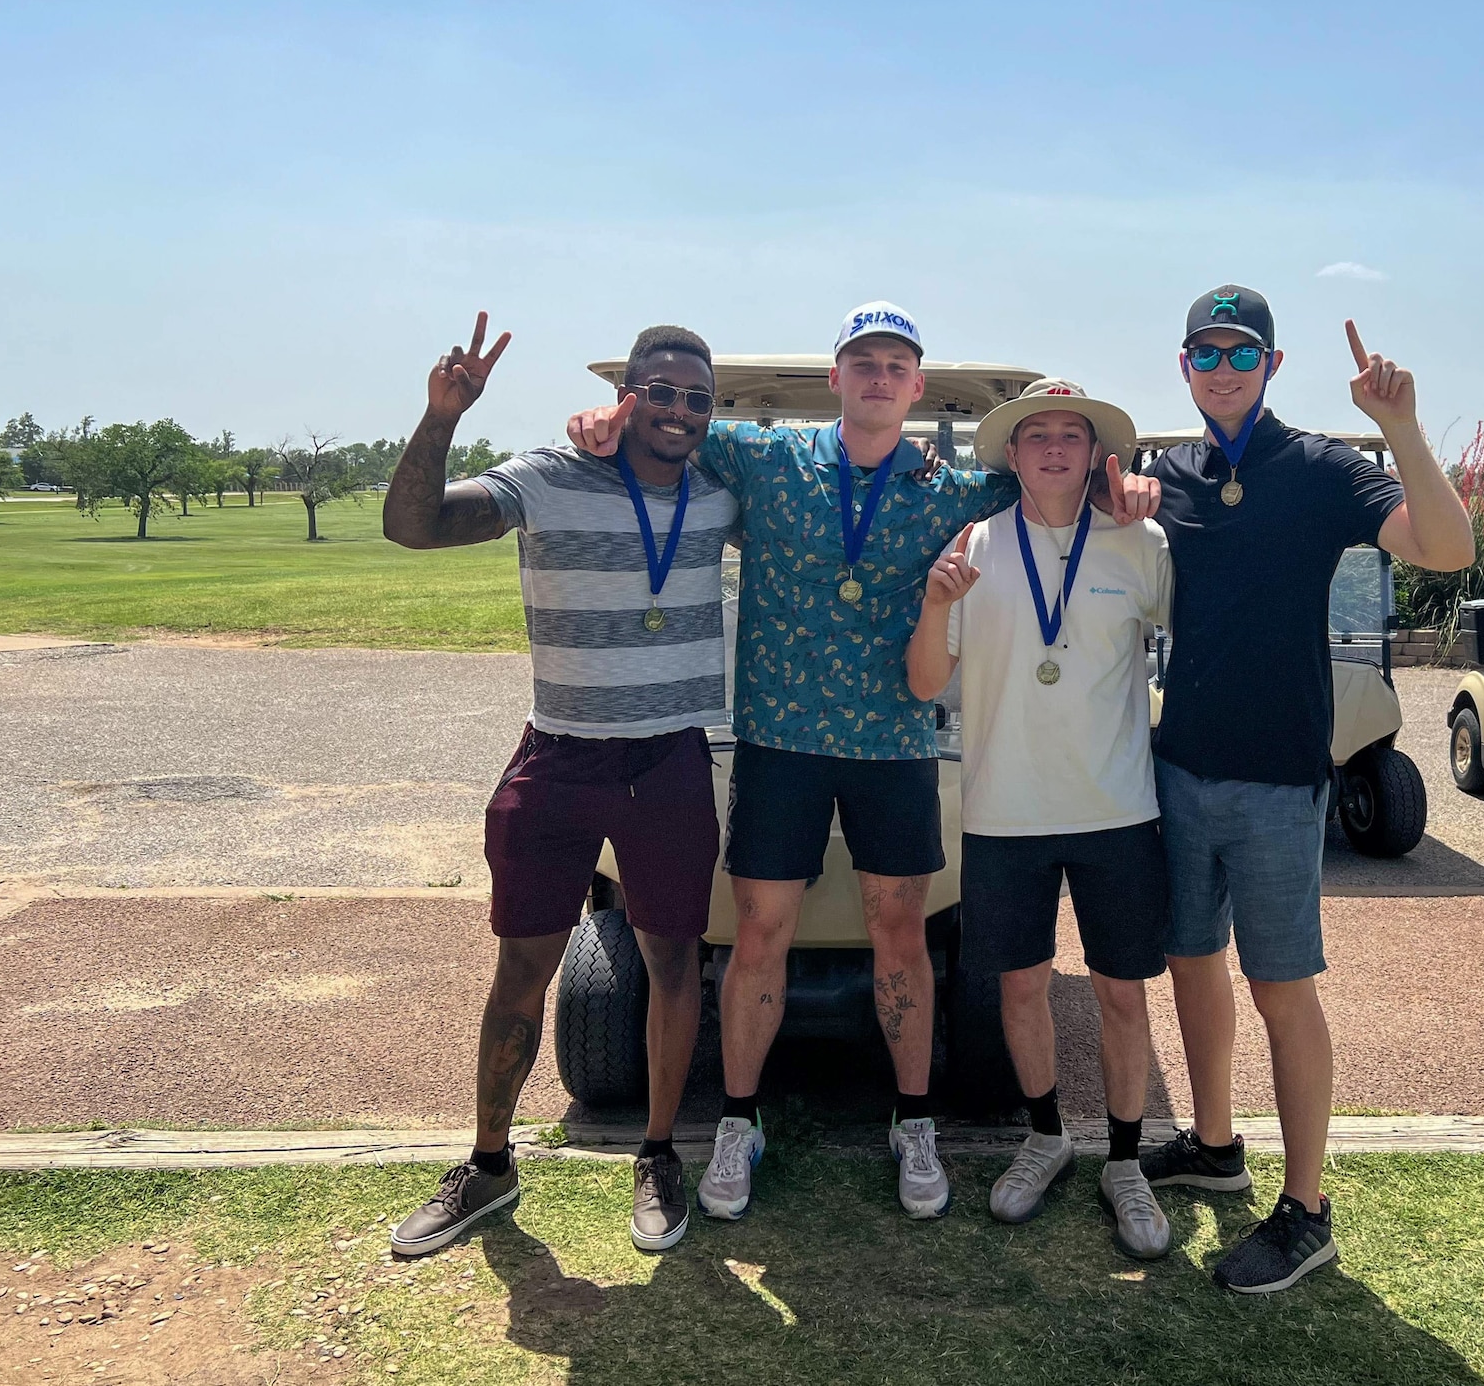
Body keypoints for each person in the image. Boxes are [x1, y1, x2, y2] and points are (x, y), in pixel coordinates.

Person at [565, 302, 1161, 1223]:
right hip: (779, 737)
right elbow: (665, 432)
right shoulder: (765, 456)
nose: (879, 377)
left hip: (894, 740)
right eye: (863, 362)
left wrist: (1129, 496)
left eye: (896, 365)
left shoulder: (955, 489)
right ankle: (739, 1119)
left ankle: (913, 1121)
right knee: (759, 932)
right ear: (837, 377)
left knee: (902, 933)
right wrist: (605, 421)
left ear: (916, 388)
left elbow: (1054, 493)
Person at [1140, 286, 1474, 1293]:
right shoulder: (1171, 474)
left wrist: (1400, 427)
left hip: (1281, 777)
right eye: (1206, 352)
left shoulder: (1325, 467)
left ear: (1272, 366)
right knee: (1190, 962)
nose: (1224, 367)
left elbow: (1445, 548)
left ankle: (1305, 1210)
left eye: (1242, 352)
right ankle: (1211, 1145)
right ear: (1185, 366)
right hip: (1180, 763)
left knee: (1279, 987)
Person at [382, 314, 737, 1257]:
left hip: (666, 758)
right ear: (628, 394)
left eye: (695, 398)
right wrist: (441, 417)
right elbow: (413, 527)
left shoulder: (718, 494)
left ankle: (659, 1155)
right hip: (562, 756)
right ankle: (488, 1166)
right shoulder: (547, 475)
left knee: (672, 961)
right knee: (522, 966)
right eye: (659, 390)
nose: (677, 409)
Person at [905, 380, 1176, 1260]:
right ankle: (1047, 1135)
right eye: (1037, 436)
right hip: (1005, 812)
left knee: (1120, 992)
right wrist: (938, 604)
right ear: (1012, 455)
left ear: (1098, 455)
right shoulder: (971, 547)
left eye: (1073, 435)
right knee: (1020, 986)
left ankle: (1126, 1160)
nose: (1055, 448)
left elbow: (1201, 634)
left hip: (1118, 810)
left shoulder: (1143, 544)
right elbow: (920, 683)